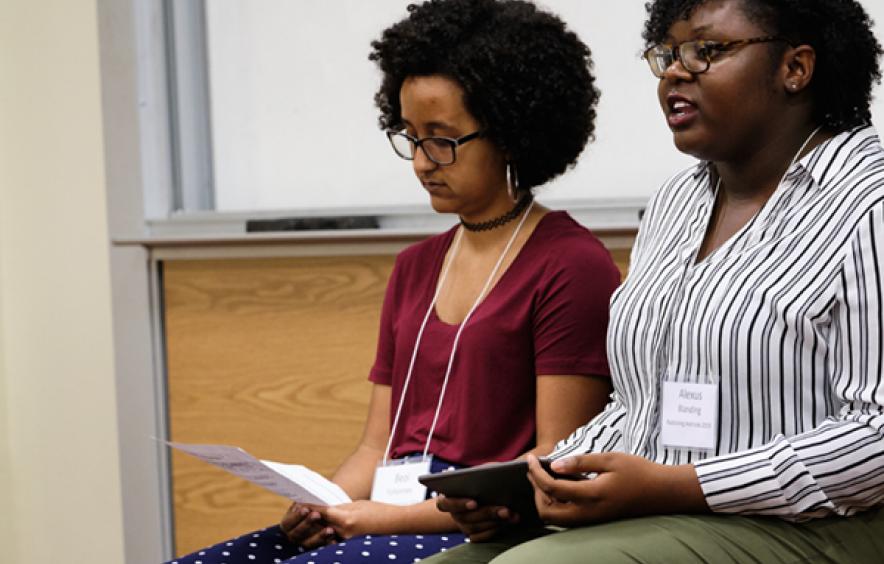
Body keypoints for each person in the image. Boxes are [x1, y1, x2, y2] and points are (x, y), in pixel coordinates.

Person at [430, 0, 884, 562]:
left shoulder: (869, 202)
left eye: (706, 51)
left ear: (795, 67)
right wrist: (545, 481)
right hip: (665, 515)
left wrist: (683, 486)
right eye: (667, 53)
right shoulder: (675, 203)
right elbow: (638, 403)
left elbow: (877, 434)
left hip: (819, 528)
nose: (674, 71)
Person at [166, 1, 620, 563]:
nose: (422, 163)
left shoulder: (572, 265)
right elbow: (374, 447)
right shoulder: (414, 267)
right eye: (409, 136)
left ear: (509, 133)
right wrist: (326, 504)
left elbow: (553, 465)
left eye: (442, 138)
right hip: (386, 512)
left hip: (485, 527)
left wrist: (381, 518)